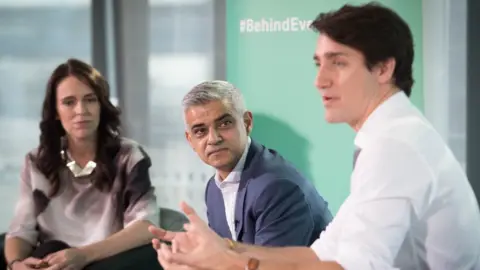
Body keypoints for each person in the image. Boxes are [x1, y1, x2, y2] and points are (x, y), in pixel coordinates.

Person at [149, 3, 480, 270]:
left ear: (383, 69)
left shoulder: (394, 147)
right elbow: (321, 252)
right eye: (318, 64)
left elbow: (348, 268)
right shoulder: (388, 138)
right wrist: (223, 250)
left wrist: (221, 263)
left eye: (338, 63)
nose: (319, 80)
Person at [2, 58, 161, 270]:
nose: (81, 111)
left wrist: (83, 255)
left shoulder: (128, 155)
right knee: (46, 249)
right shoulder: (36, 162)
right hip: (55, 261)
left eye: (90, 100)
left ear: (101, 105)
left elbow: (146, 225)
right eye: (69, 102)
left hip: (109, 259)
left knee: (152, 252)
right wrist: (15, 265)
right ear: (56, 112)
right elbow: (21, 230)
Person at [180, 80, 332, 247]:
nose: (214, 139)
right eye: (200, 131)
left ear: (247, 123)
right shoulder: (213, 188)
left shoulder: (276, 187)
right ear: (190, 141)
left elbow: (270, 265)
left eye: (224, 124)